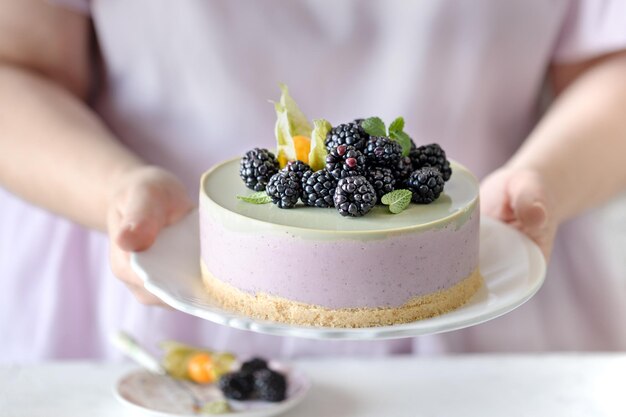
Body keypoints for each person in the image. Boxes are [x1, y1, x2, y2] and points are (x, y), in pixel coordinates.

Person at [1, 0, 625, 363]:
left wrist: (547, 176)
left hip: (487, 268)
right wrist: (116, 188)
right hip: (158, 281)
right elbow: (17, 65)